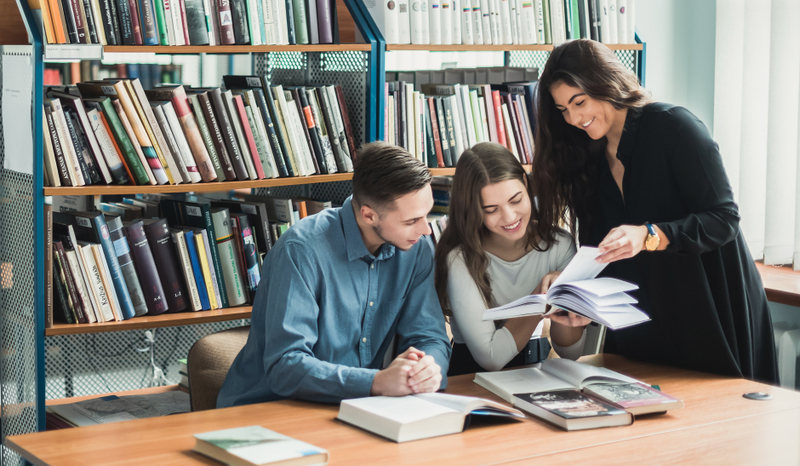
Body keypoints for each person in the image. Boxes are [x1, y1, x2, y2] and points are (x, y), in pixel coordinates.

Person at [531, 39, 777, 383]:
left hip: (710, 313)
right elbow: (600, 252)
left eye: (579, 102)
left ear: (606, 83)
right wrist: (572, 291)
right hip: (643, 328)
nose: (573, 118)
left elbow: (724, 219)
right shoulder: (585, 161)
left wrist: (649, 235)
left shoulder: (673, 127)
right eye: (563, 110)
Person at [217, 142, 451, 408]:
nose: (426, 230)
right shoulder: (301, 251)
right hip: (269, 407)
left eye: (426, 215)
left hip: (354, 406)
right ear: (369, 215)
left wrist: (428, 370)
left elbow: (430, 337)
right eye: (411, 221)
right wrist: (376, 382)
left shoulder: (415, 249)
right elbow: (286, 365)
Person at [434, 142, 590, 376]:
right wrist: (541, 297)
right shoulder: (459, 257)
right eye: (491, 209)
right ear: (473, 209)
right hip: (471, 379)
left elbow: (570, 352)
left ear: (526, 185)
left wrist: (567, 299)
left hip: (537, 370)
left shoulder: (559, 245)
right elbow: (492, 358)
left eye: (516, 200)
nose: (509, 217)